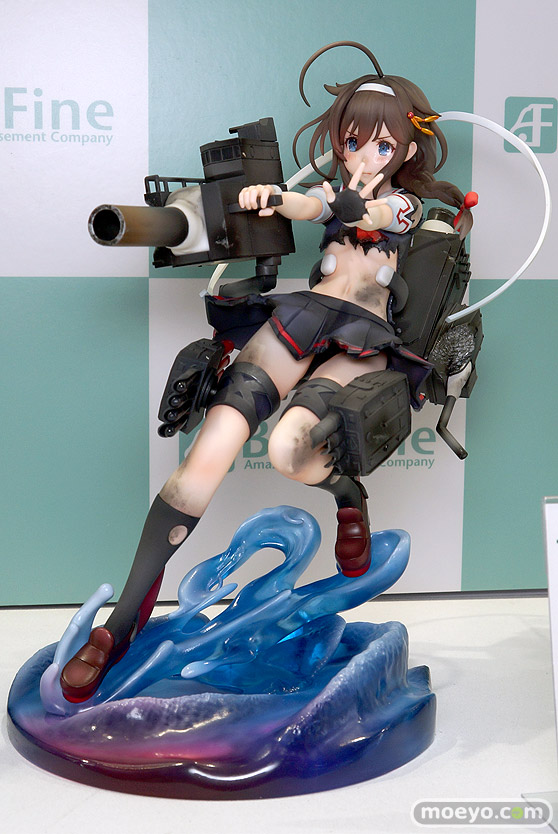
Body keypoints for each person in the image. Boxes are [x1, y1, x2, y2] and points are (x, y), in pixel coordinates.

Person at [60, 41, 473, 702]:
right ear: (339, 141)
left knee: (289, 450)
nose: (365, 155)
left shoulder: (405, 208)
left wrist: (332, 202)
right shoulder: (334, 190)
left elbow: (364, 214)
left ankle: (346, 494)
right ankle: (120, 626)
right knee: (205, 457)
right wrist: (276, 198)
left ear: (406, 150)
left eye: (382, 145)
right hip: (303, 317)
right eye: (354, 141)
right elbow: (316, 208)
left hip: (362, 339)